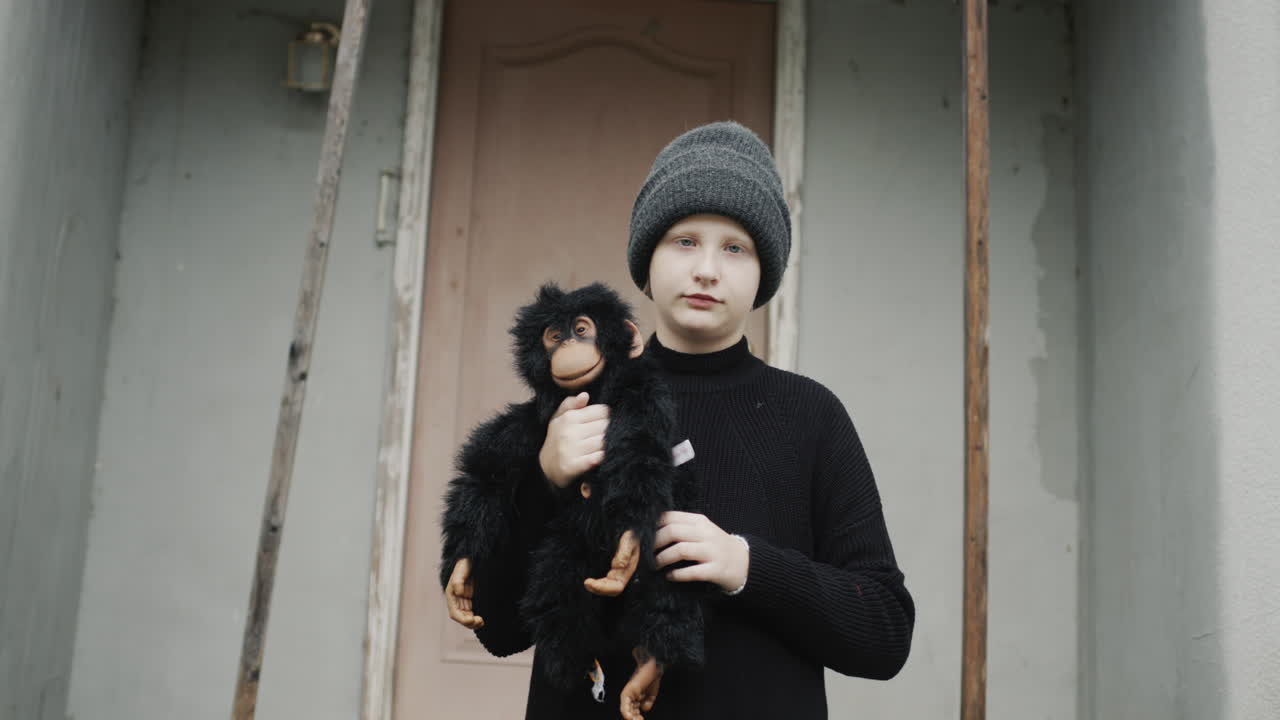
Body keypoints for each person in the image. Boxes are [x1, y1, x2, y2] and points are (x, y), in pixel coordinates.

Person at [460, 121, 914, 719]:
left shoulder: (811, 417)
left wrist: (747, 566)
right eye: (683, 241)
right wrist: (543, 481)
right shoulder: (570, 412)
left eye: (735, 247)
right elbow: (495, 627)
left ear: (764, 275)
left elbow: (883, 630)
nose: (706, 269)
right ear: (645, 261)